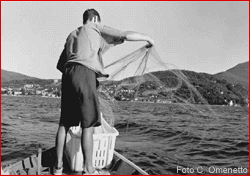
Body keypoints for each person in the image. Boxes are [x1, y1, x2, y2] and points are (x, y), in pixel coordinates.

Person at [54, 9, 154, 175]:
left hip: (68, 75)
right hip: (85, 74)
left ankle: (57, 168)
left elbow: (60, 65)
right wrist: (148, 38)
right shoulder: (96, 27)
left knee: (64, 124)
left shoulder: (72, 34)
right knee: (88, 125)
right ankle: (88, 168)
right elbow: (125, 35)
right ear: (95, 19)